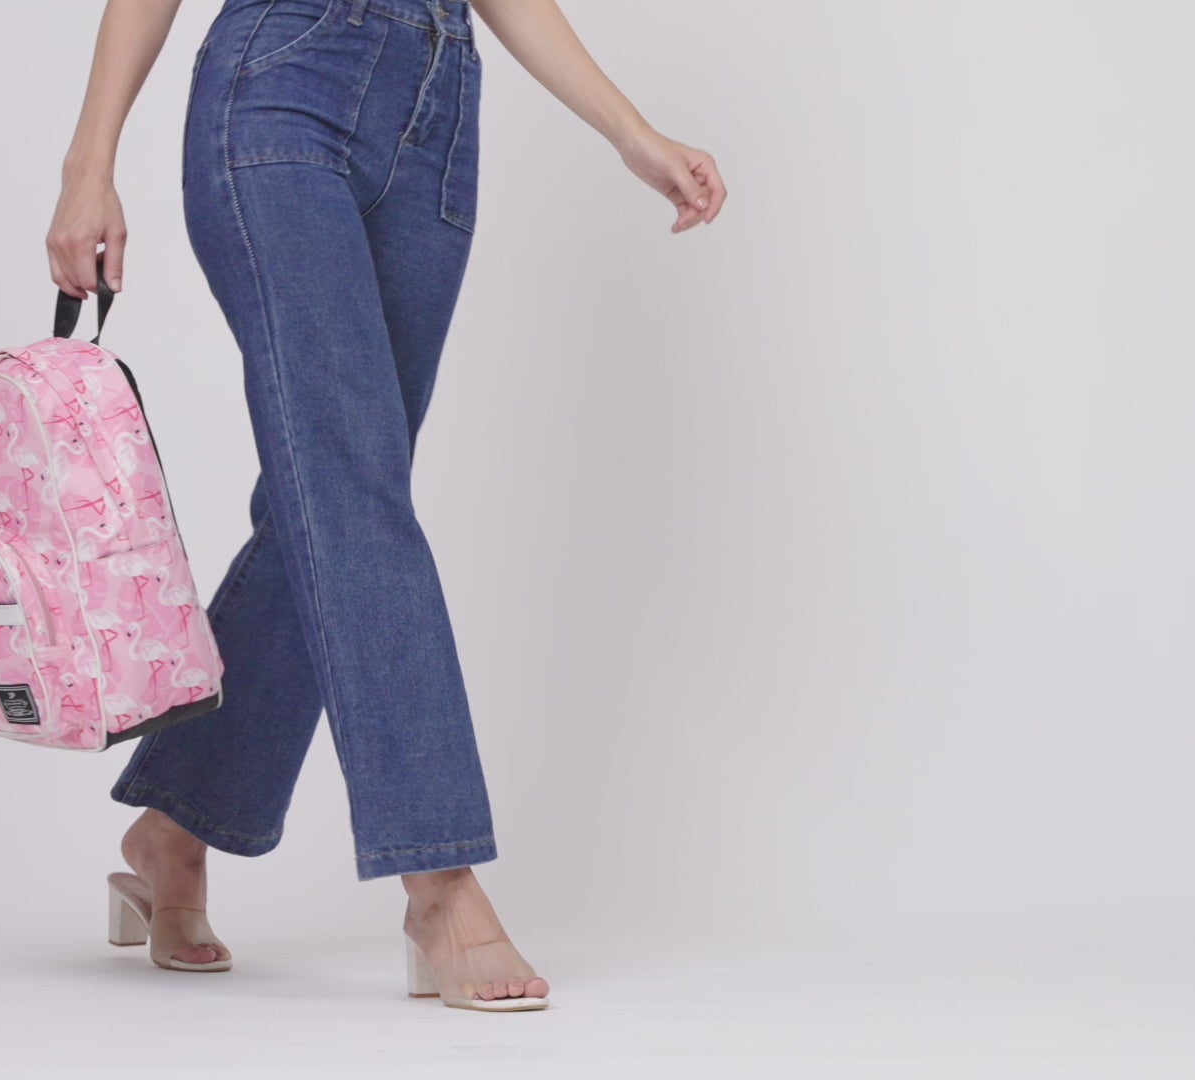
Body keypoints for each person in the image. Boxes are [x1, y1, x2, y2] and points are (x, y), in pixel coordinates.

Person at [46, 0, 726, 1012]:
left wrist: (628, 130)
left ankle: (175, 825)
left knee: (329, 496)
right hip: (284, 84)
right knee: (352, 487)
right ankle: (438, 880)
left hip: (437, 106)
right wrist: (88, 163)